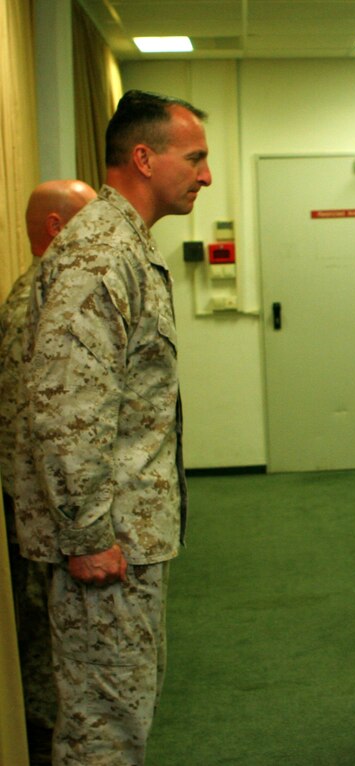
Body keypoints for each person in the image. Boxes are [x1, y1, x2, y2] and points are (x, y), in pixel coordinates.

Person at [14, 90, 211, 765]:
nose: (206, 175)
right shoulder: (101, 254)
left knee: (121, 706)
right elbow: (66, 404)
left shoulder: (125, 243)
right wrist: (90, 532)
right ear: (144, 157)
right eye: (196, 159)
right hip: (107, 541)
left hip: (128, 531)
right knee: (105, 726)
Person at [0, 179, 96, 764]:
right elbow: (45, 418)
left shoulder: (38, 291)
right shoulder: (46, 299)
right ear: (56, 228)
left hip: (42, 509)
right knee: (55, 652)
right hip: (47, 512)